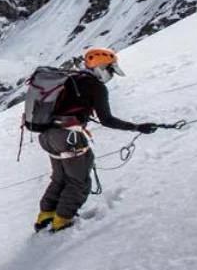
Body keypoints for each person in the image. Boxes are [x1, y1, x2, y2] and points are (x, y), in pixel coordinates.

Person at [34, 47, 160, 233]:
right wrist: (137, 127)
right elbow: (106, 119)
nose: (111, 75)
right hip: (69, 136)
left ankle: (46, 215)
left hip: (47, 135)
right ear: (101, 67)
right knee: (79, 181)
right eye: (110, 69)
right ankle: (62, 220)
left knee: (60, 178)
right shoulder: (96, 87)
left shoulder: (70, 79)